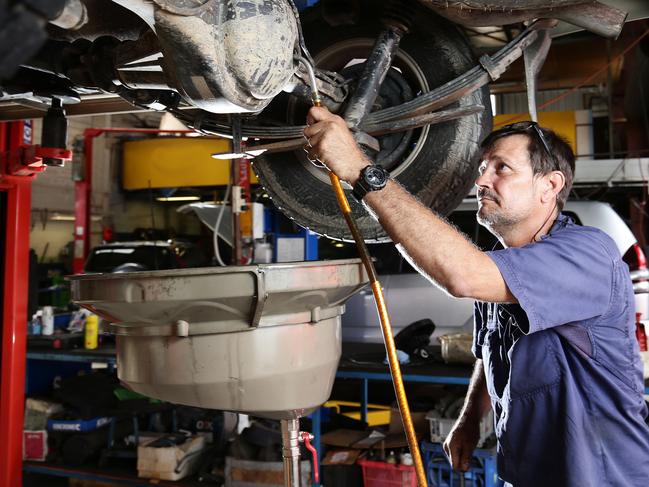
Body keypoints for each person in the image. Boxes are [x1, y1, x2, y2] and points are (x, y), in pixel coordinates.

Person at [304, 106, 649, 486]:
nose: (481, 179)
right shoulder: (503, 269)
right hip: (527, 471)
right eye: (483, 166)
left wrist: (358, 168)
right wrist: (469, 420)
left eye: (501, 167)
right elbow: (491, 352)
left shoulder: (586, 253)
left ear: (549, 186)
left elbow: (462, 276)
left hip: (602, 474)